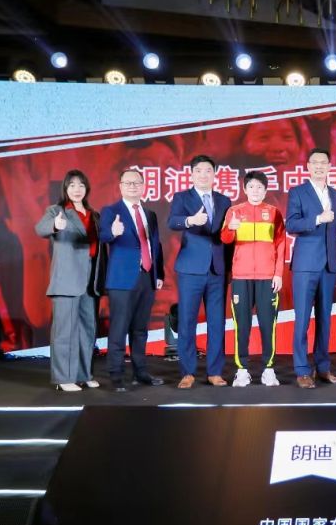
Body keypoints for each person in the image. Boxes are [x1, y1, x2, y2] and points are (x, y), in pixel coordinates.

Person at [34, 169, 105, 392]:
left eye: (81, 185)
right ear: (65, 188)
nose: (77, 189)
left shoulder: (95, 215)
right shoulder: (57, 211)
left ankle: (84, 374)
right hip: (67, 280)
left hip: (91, 281)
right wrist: (56, 225)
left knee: (87, 331)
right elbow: (40, 229)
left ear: (87, 189)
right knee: (64, 332)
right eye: (72, 185)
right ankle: (64, 378)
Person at [167, 155, 232, 389]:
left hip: (217, 269)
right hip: (191, 269)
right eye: (199, 171)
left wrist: (228, 268)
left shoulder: (224, 200)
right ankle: (187, 372)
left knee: (217, 322)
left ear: (214, 174)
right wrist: (190, 220)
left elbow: (227, 236)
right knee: (187, 321)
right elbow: (172, 222)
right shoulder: (182, 197)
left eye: (208, 171)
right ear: (192, 174)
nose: (203, 175)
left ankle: (215, 371)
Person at [99, 168, 165, 392]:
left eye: (136, 183)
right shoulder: (111, 211)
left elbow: (156, 246)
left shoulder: (150, 214)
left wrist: (159, 274)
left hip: (146, 277)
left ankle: (141, 372)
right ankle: (116, 376)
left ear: (143, 186)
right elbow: (102, 236)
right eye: (128, 183)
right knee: (119, 329)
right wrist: (113, 232)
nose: (133, 186)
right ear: (120, 186)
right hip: (122, 280)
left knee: (140, 329)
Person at [285, 148, 336, 389]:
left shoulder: (335, 194)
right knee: (302, 319)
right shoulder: (297, 192)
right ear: (308, 166)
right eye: (315, 163)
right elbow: (291, 224)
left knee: (325, 320)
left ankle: (323, 367)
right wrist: (318, 219)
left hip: (329, 266)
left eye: (323, 163)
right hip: (306, 264)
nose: (319, 166)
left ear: (330, 166)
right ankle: (302, 370)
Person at [220, 170, 286, 387]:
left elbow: (281, 244)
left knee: (268, 325)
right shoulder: (234, 212)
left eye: (259, 187)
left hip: (268, 278)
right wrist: (230, 228)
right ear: (244, 189)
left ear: (265, 190)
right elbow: (225, 239)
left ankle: (269, 369)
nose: (255, 191)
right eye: (251, 187)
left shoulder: (274, 213)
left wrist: (278, 273)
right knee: (242, 325)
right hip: (242, 277)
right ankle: (242, 370)